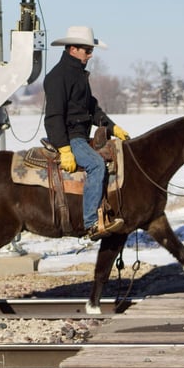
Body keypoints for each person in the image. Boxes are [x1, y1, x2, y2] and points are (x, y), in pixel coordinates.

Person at [43, 26, 131, 241]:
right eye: (87, 51)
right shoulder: (58, 77)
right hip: (71, 138)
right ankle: (91, 223)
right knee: (96, 164)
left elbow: (91, 109)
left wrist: (112, 128)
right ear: (73, 49)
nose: (91, 55)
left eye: (91, 51)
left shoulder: (78, 75)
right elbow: (54, 116)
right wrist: (64, 149)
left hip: (80, 135)